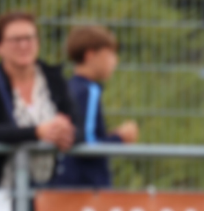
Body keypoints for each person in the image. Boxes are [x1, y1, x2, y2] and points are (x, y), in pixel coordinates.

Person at [0, 11, 76, 189]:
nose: (23, 45)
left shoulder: (55, 79)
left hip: (47, 190)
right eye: (15, 40)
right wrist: (37, 132)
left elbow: (76, 124)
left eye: (29, 38)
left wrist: (65, 133)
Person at [50, 24, 138, 189]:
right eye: (110, 54)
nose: (115, 61)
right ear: (90, 55)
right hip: (87, 187)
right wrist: (120, 138)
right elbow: (88, 143)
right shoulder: (89, 91)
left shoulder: (69, 88)